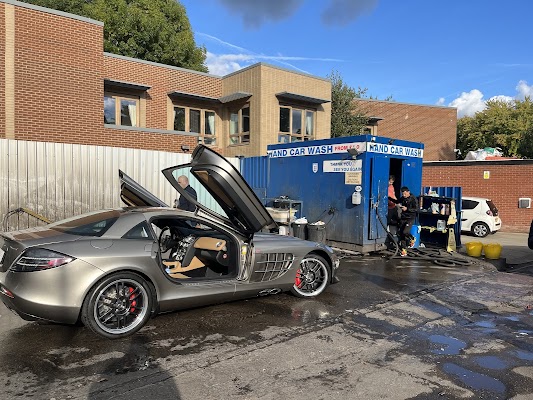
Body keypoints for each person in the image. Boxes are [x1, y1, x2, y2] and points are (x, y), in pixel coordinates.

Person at [390, 186, 418, 256]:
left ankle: (412, 238)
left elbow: (416, 209)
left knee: (405, 232)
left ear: (408, 192)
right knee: (401, 234)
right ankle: (403, 250)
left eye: (405, 194)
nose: (404, 195)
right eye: (403, 194)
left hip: (410, 218)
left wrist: (407, 209)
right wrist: (389, 198)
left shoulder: (413, 199)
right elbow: (397, 201)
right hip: (403, 217)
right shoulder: (403, 198)